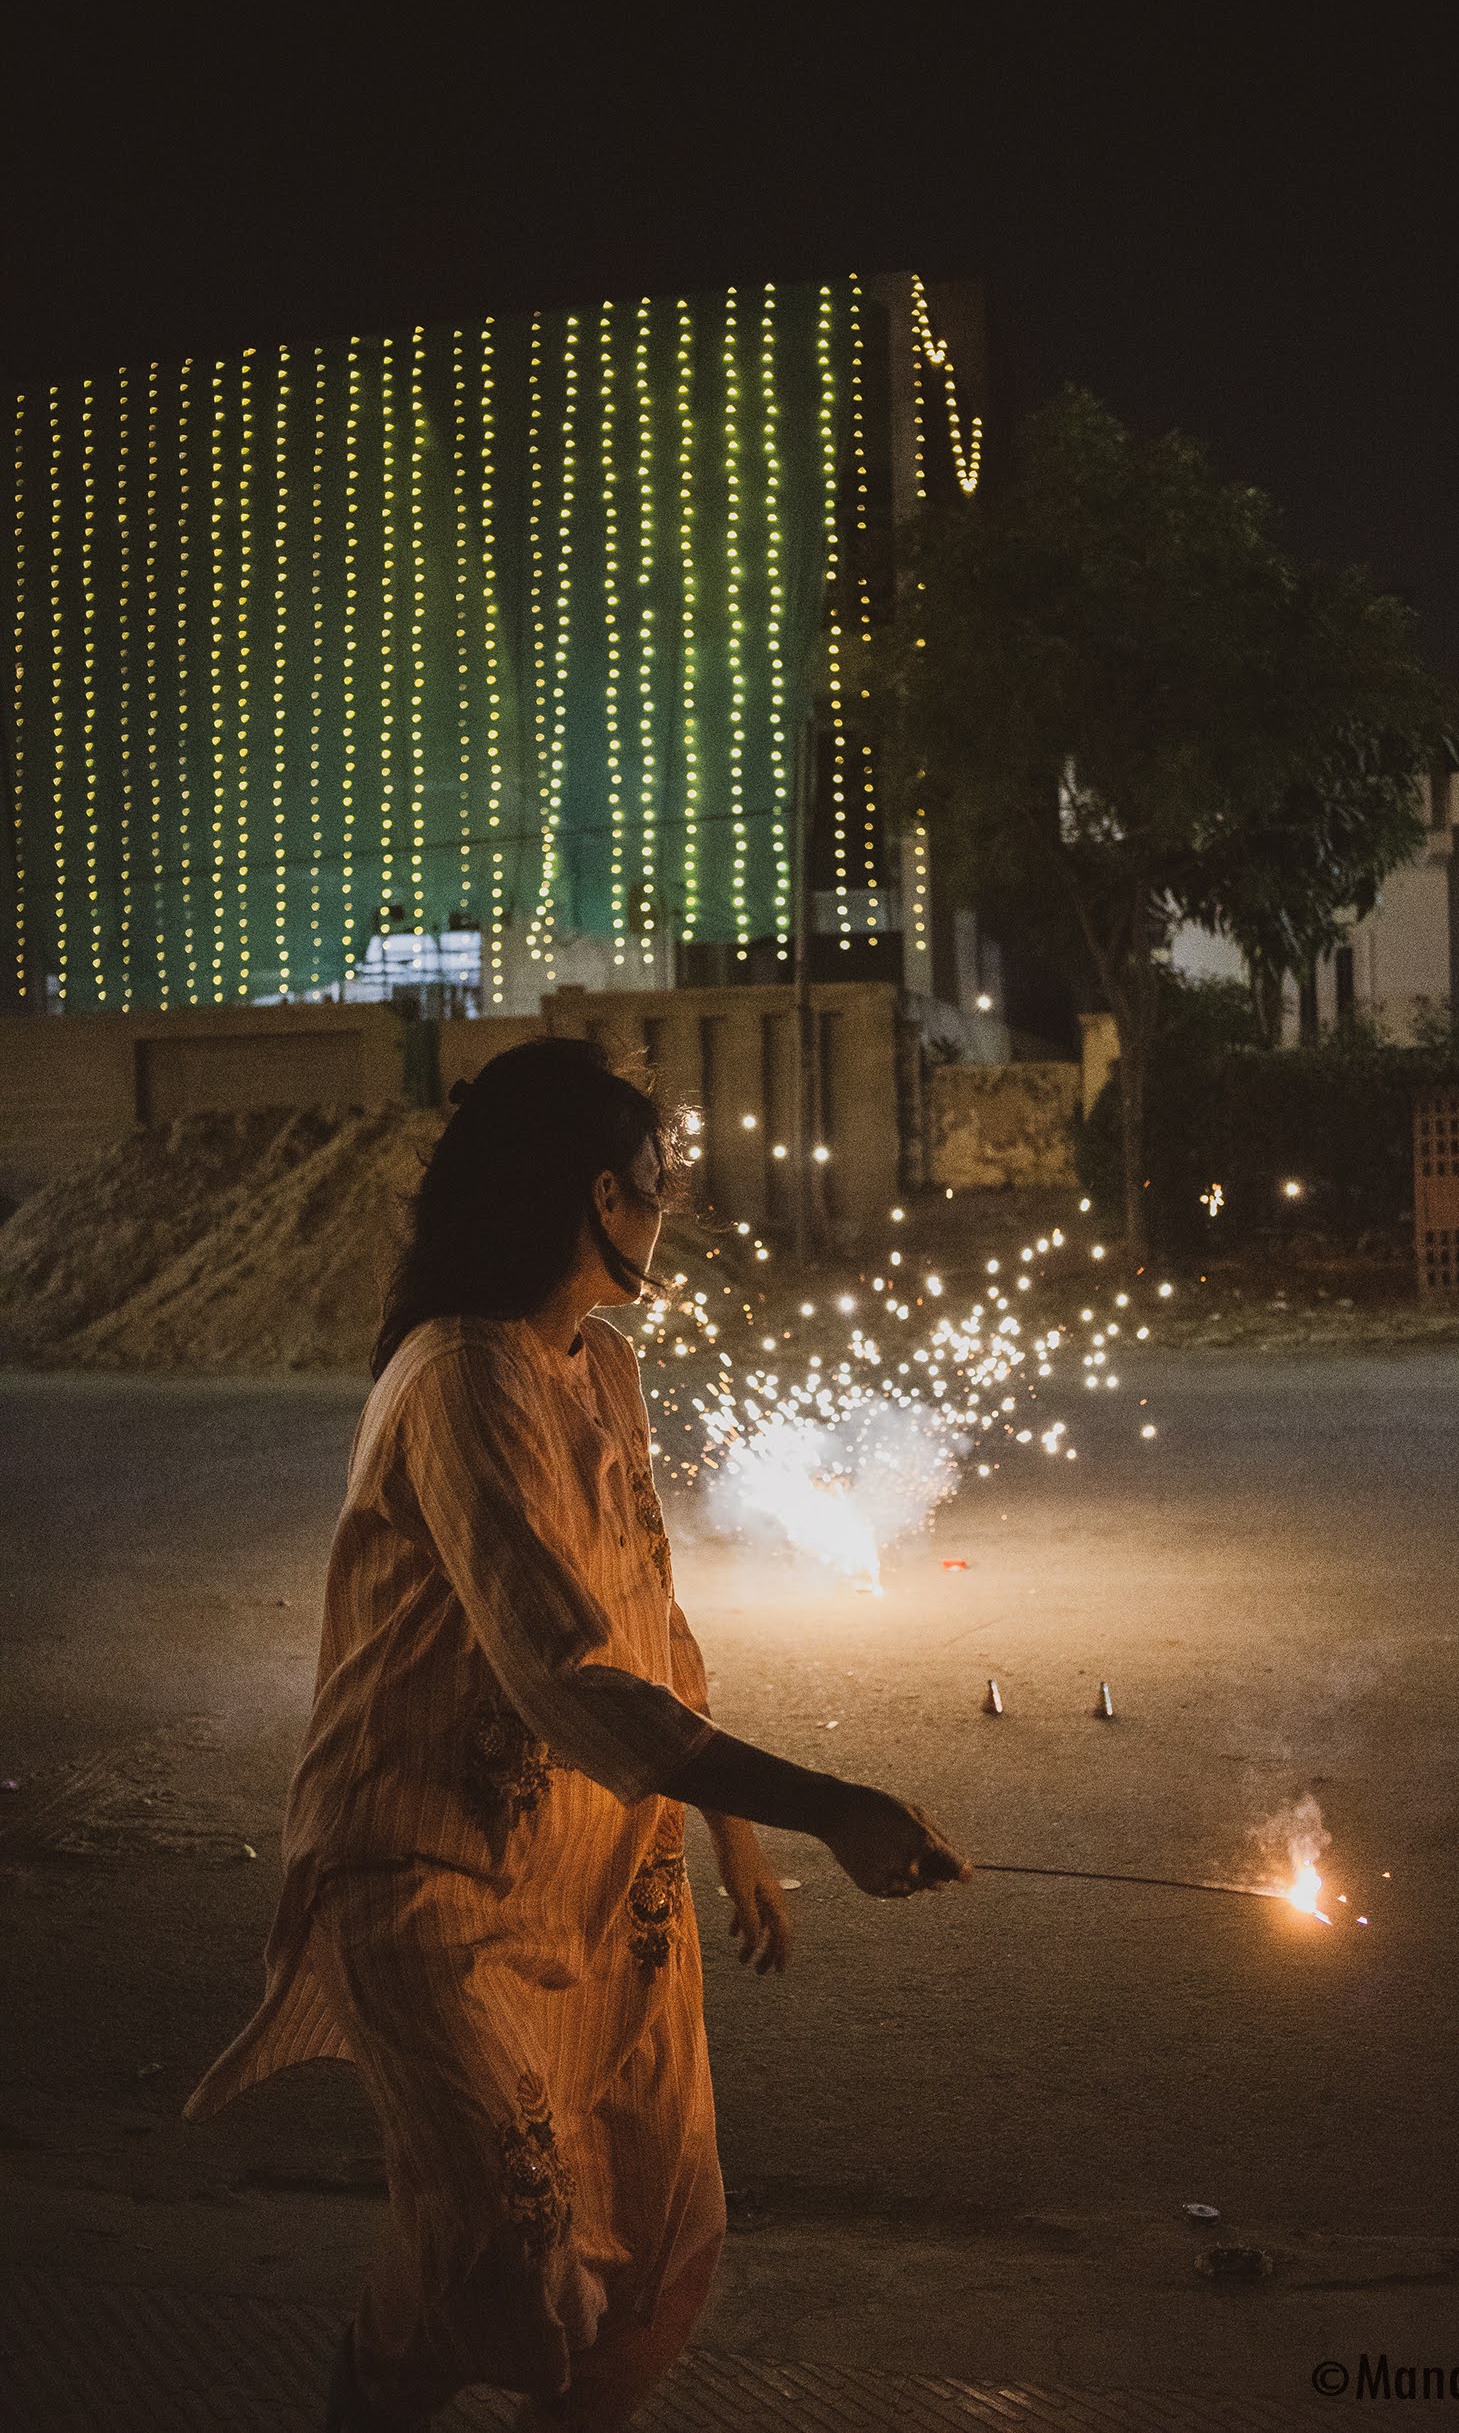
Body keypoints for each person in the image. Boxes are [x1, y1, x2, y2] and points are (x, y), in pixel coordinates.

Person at [185, 1037, 969, 2432]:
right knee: (503, 2235)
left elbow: (652, 1624)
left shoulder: (594, 1369)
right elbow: (563, 1674)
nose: (674, 1210)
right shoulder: (463, 1378)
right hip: (429, 1869)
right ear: (600, 1196)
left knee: (662, 2229)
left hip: (601, 1881)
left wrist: (738, 1848)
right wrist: (835, 1804)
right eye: (662, 1183)